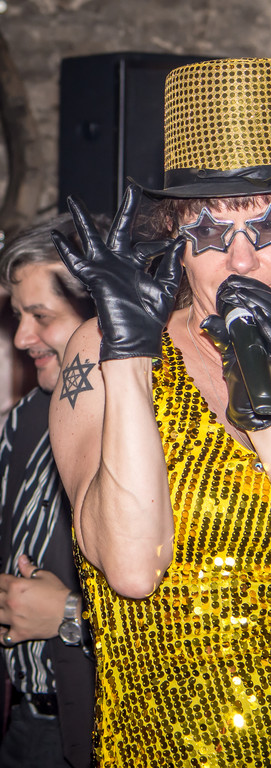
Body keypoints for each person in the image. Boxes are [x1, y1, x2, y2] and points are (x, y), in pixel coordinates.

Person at [50, 58, 271, 767]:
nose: (242, 260)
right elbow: (131, 569)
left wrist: (266, 418)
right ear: (177, 243)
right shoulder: (105, 350)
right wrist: (128, 356)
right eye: (213, 231)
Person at [0, 213, 109, 768]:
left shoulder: (151, 427)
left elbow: (189, 616)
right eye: (18, 317)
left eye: (40, 317)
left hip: (100, 736)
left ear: (100, 316)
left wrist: (69, 615)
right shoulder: (24, 419)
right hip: (21, 724)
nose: (22, 338)